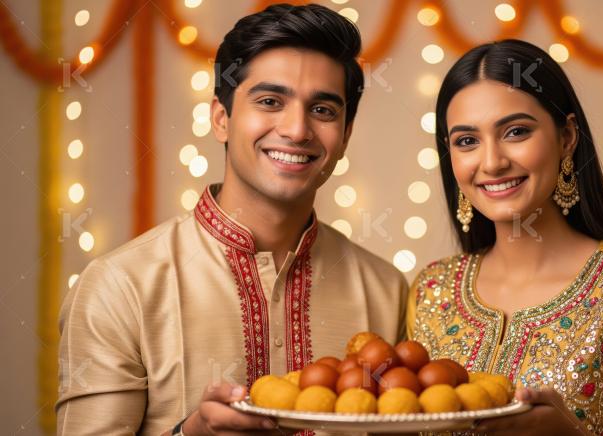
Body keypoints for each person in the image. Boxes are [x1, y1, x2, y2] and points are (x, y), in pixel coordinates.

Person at [56, 4, 408, 435]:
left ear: (345, 136)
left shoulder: (385, 291)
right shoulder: (121, 286)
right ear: (221, 119)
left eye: (323, 110)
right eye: (269, 101)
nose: (297, 130)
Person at [406, 39, 603, 435]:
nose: (492, 162)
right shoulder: (430, 290)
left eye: (516, 131)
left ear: (567, 138)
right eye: (467, 141)